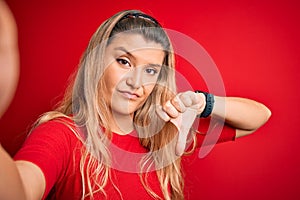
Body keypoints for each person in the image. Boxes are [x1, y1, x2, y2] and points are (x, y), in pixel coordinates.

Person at [0, 9, 271, 200]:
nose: (136, 82)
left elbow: (258, 117)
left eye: (151, 71)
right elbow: (21, 190)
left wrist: (202, 102)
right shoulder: (63, 135)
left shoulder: (163, 133)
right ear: (96, 63)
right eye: (124, 62)